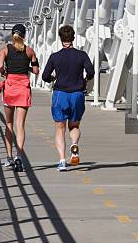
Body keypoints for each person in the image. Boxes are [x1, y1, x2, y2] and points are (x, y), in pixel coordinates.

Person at [41, 25, 94, 171]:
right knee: (74, 125)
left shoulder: (55, 57)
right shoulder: (82, 55)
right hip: (77, 94)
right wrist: (85, 79)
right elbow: (91, 71)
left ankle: (62, 160)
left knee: (60, 128)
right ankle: (74, 144)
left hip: (60, 94)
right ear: (73, 37)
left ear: (60, 38)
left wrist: (53, 78)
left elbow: (45, 76)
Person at [0, 24, 39, 172]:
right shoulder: (29, 51)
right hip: (23, 88)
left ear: (12, 34)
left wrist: (5, 71)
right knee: (20, 125)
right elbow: (35, 70)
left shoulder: (5, 49)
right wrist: (28, 66)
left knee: (8, 123)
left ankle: (8, 157)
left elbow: (1, 65)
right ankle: (19, 156)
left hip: (10, 87)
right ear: (24, 35)